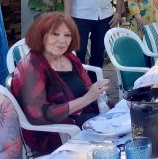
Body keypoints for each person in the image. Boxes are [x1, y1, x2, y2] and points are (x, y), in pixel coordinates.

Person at [11, 12, 110, 155]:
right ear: (40, 35)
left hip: (84, 117)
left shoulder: (70, 57)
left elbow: (88, 88)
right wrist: (87, 98)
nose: (62, 41)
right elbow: (38, 115)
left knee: (131, 114)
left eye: (67, 35)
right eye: (55, 34)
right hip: (55, 132)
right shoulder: (31, 66)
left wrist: (98, 93)